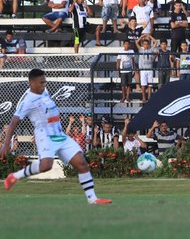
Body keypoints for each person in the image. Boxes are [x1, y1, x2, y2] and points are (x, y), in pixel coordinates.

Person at [1, 69, 112, 205]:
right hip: (45, 136)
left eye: (44, 82)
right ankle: (15, 176)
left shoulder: (45, 92)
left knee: (82, 163)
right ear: (32, 83)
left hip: (59, 134)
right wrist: (6, 144)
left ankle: (92, 199)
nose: (44, 85)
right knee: (46, 166)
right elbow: (14, 122)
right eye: (41, 82)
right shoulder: (28, 101)